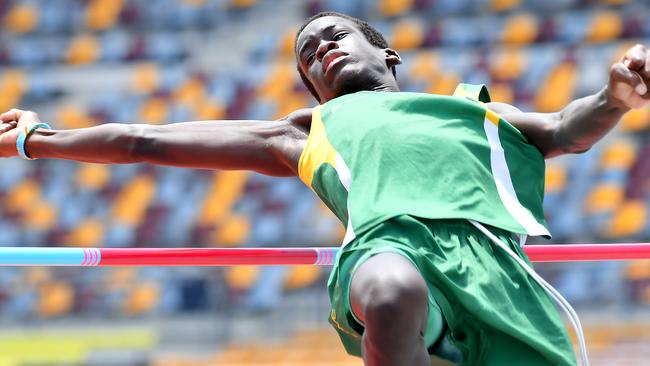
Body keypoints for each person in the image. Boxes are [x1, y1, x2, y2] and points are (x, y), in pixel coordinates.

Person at [0, 11, 648, 366]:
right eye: (309, 55)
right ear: (312, 90)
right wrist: (39, 138)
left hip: (492, 269)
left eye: (336, 35)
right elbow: (145, 139)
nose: (321, 50)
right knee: (392, 290)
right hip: (386, 254)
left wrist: (616, 96)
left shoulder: (477, 112)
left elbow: (567, 128)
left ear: (388, 56)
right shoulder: (304, 132)